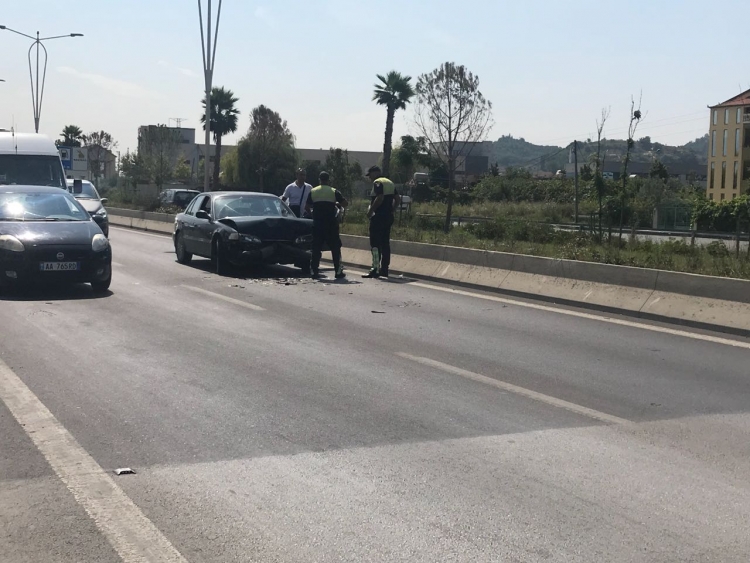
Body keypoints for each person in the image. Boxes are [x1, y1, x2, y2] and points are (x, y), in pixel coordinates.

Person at [305, 171, 348, 279]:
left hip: (318, 224)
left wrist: (313, 214)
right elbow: (344, 204)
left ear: (319, 180)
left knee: (316, 248)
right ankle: (338, 272)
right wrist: (337, 204)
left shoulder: (313, 191)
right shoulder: (333, 191)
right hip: (331, 224)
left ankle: (314, 271)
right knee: (335, 248)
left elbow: (306, 206)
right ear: (328, 180)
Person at [362, 165, 400, 278]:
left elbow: (380, 197)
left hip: (378, 217)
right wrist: (392, 209)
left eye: (370, 175)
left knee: (375, 244)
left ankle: (374, 269)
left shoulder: (378, 182)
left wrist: (371, 211)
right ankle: (384, 269)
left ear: (375, 173)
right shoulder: (390, 182)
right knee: (385, 244)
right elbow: (398, 199)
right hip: (388, 217)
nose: (370, 178)